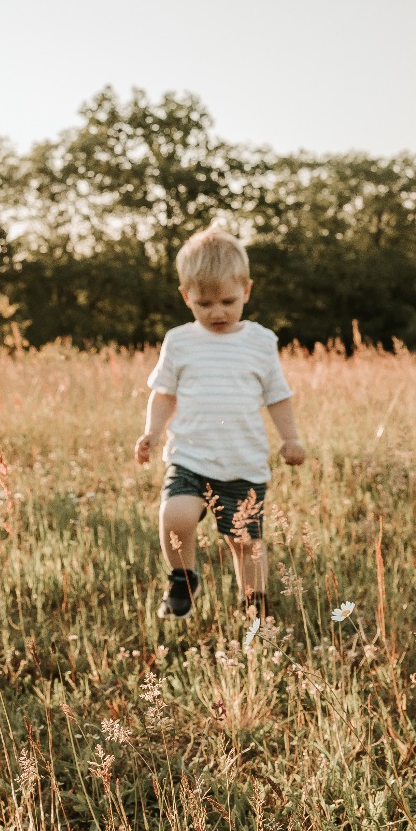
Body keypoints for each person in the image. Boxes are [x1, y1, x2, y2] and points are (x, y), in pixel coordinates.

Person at [132, 223, 307, 622]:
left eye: (228, 301)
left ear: (247, 290)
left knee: (245, 543)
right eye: (204, 303)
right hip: (189, 457)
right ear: (186, 297)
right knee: (175, 516)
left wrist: (291, 438)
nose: (217, 312)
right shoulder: (179, 341)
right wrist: (152, 433)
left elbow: (277, 396)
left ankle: (255, 606)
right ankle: (182, 577)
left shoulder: (260, 342)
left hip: (243, 464)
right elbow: (164, 394)